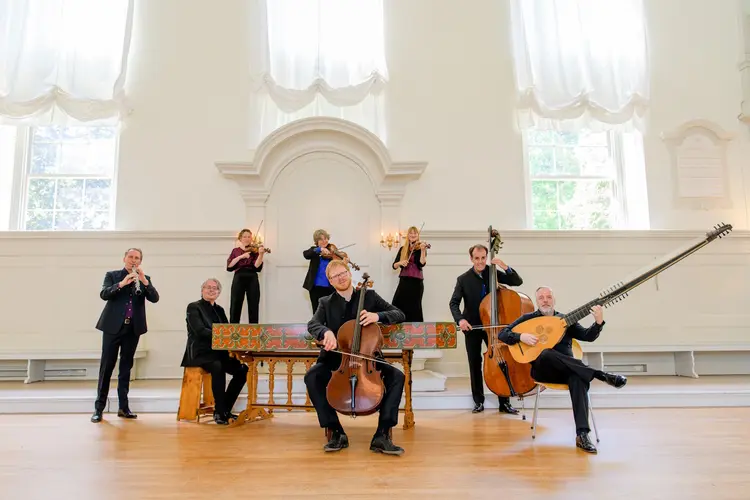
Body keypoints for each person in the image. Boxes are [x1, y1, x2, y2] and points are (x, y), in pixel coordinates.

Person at [499, 286, 627, 453]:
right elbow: (503, 334)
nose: (545, 300)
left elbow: (587, 336)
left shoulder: (565, 320)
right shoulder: (528, 319)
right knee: (546, 354)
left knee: (578, 378)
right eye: (541, 298)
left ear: (554, 300)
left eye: (548, 297)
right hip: (543, 370)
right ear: (537, 301)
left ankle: (582, 435)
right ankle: (600, 375)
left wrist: (598, 322)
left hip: (567, 372)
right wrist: (520, 336)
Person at [304, 259, 406, 455]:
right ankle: (335, 431)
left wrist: (379, 316)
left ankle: (382, 435)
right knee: (312, 377)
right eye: (335, 276)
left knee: (397, 376)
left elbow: (399, 313)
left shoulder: (369, 296)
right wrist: (325, 332)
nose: (340, 278)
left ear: (349, 273)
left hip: (368, 359)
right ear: (330, 282)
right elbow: (312, 324)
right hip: (336, 360)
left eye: (343, 273)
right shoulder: (325, 302)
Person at [449, 244, 523, 414]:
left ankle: (504, 402)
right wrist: (460, 320)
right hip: (473, 326)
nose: (481, 262)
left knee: (500, 361)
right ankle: (478, 402)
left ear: (486, 257)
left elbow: (517, 282)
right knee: (474, 363)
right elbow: (453, 303)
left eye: (483, 258)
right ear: (471, 259)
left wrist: (505, 266)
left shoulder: (493, 272)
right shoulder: (463, 279)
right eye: (477, 258)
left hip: (494, 326)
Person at [91, 248, 160, 423]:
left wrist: (144, 280)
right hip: (112, 328)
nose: (133, 260)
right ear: (124, 258)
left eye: (137, 258)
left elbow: (155, 298)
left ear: (141, 261)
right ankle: (99, 409)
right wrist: (122, 283)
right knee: (106, 367)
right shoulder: (113, 275)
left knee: (125, 368)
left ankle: (123, 407)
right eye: (131, 257)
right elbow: (104, 294)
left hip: (132, 329)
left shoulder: (145, 279)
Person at [181, 278, 249, 425]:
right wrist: (222, 335)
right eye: (208, 287)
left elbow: (228, 331)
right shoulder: (193, 307)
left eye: (215, 288)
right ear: (202, 290)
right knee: (217, 366)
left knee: (243, 369)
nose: (212, 290)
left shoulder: (219, 310)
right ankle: (219, 411)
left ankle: (224, 409)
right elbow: (200, 331)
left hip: (219, 353)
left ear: (219, 292)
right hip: (200, 353)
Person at [226, 228, 265, 323]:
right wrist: (241, 256)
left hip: (252, 278)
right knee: (235, 303)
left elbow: (256, 266)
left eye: (249, 237)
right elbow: (229, 266)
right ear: (240, 239)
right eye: (245, 237)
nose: (247, 238)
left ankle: (254, 331)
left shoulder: (255, 251)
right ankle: (233, 330)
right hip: (239, 277)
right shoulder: (235, 251)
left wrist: (260, 254)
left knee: (254, 304)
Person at [391, 226, 428, 322]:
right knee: (397, 303)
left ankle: (416, 331)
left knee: (415, 306)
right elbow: (394, 265)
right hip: (404, 281)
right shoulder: (403, 249)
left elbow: (422, 263)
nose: (413, 235)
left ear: (417, 235)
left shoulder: (420, 248)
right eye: (411, 233)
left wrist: (423, 250)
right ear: (408, 235)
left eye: (415, 233)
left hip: (416, 282)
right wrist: (400, 262)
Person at [302, 229, 336, 312]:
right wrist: (319, 250)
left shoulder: (332, 251)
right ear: (316, 241)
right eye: (321, 239)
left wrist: (344, 260)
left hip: (329, 287)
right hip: (315, 288)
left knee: (329, 312)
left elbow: (339, 264)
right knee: (316, 311)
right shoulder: (314, 251)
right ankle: (316, 325)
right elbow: (306, 254)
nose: (324, 241)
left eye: (326, 238)